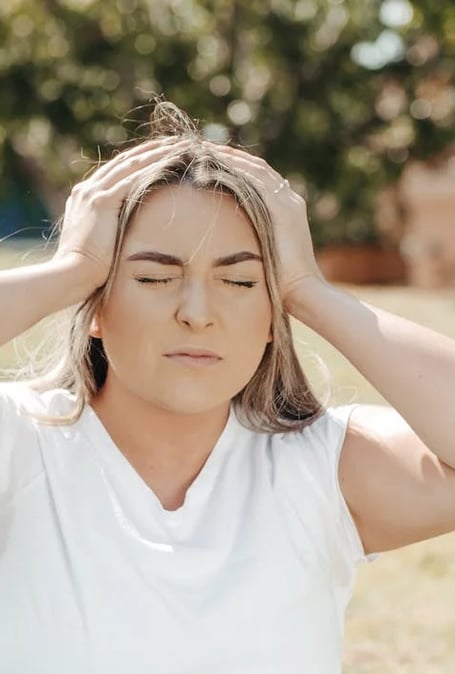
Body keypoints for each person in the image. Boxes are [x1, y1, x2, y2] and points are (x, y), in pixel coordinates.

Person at [0, 101, 454, 674]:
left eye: (240, 280)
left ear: (272, 316)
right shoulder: (19, 445)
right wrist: (69, 270)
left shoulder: (322, 468)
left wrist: (309, 289)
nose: (197, 312)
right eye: (154, 277)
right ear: (95, 304)